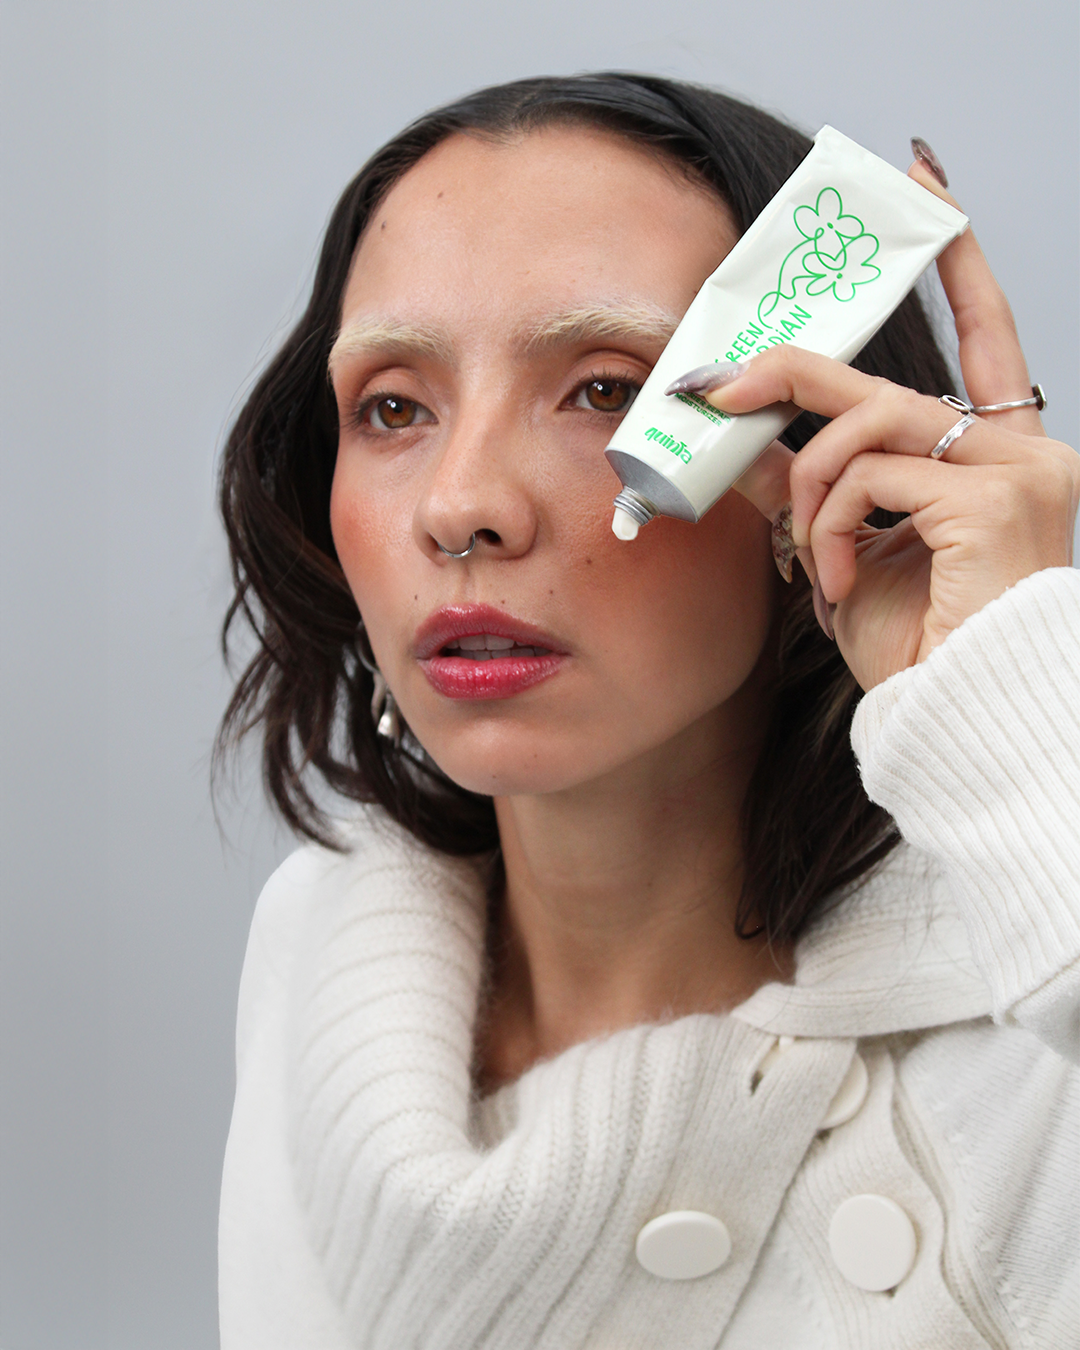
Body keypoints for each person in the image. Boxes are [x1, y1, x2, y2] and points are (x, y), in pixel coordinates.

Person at [215, 74, 1079, 1348]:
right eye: (393, 406)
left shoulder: (1033, 997)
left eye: (607, 391)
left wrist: (1019, 696)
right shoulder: (322, 950)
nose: (462, 506)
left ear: (823, 464)